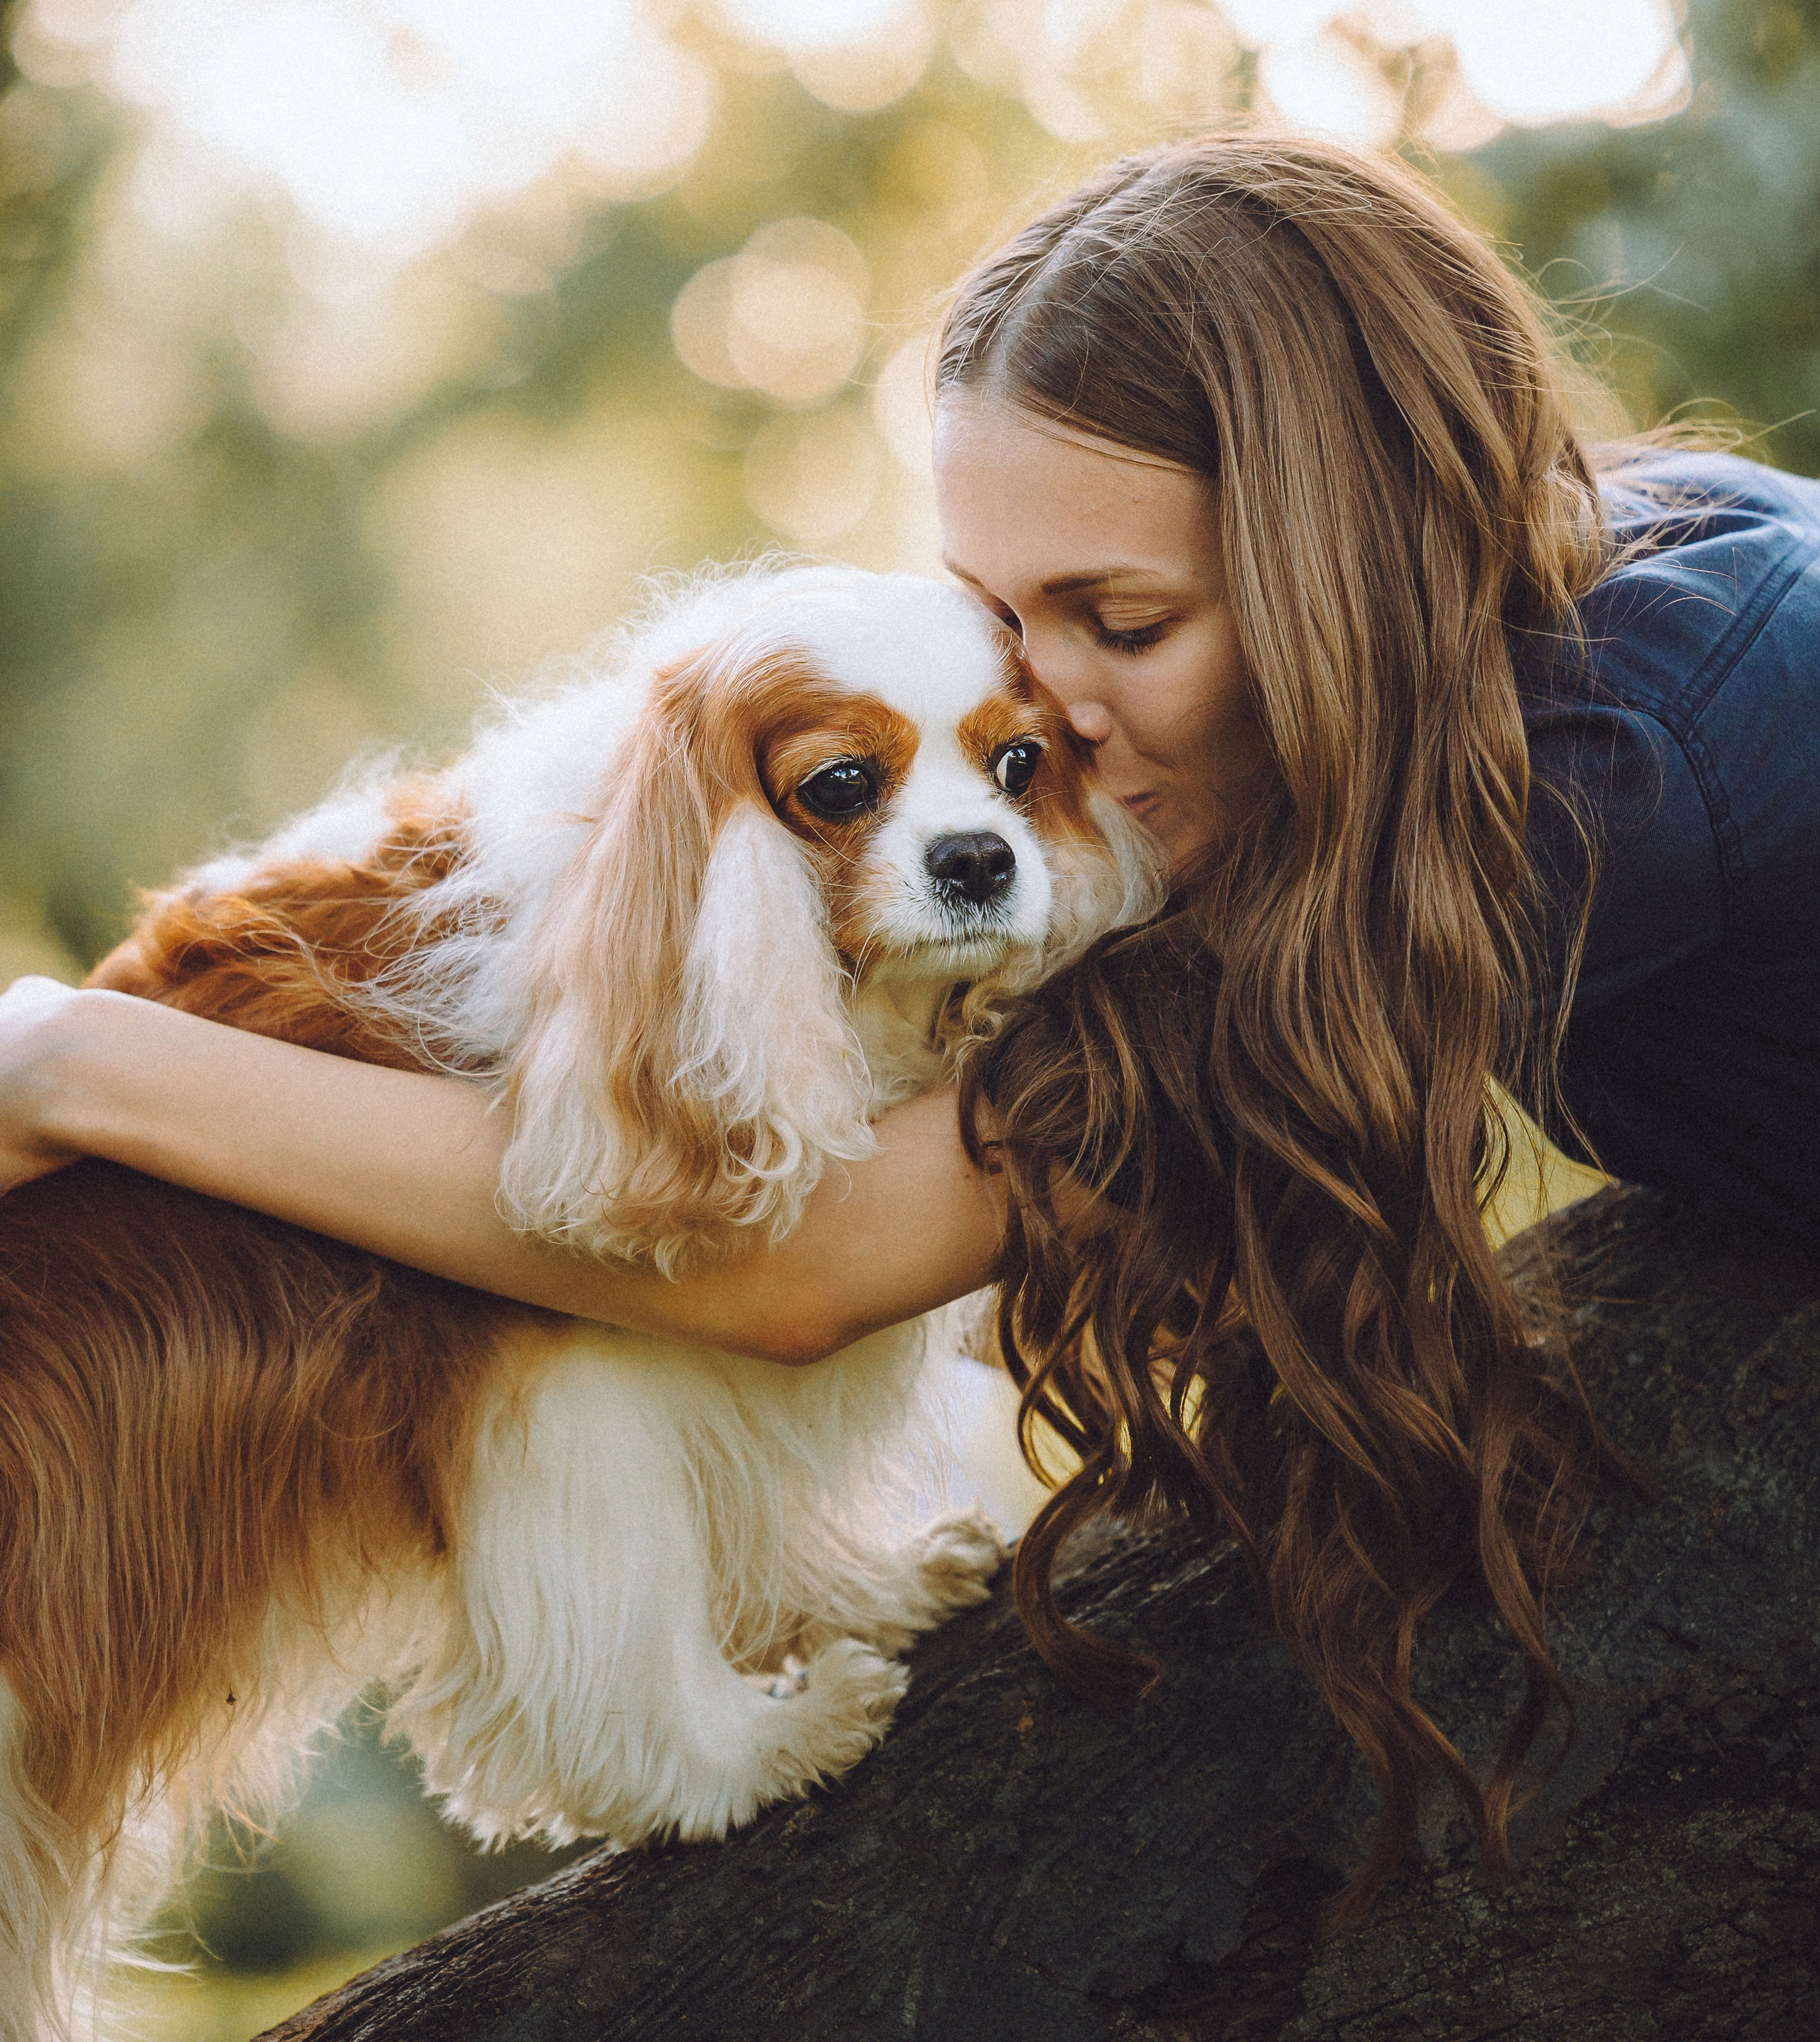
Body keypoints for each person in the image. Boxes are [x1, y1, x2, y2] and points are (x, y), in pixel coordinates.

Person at [3, 131, 1816, 1919]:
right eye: (1006, 616)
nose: (1055, 712)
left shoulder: (1603, 777)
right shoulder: (1583, 571)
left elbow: (809, 1263)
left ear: (1347, 556)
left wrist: (92, 1065)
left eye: (1118, 619)